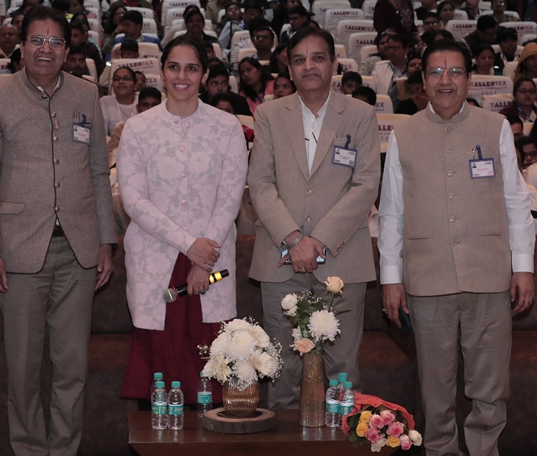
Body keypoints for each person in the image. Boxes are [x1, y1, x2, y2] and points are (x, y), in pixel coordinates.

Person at [0, 7, 117, 455]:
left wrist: (106, 239)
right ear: (21, 45)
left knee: (72, 369)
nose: (46, 49)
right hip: (18, 254)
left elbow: (97, 172)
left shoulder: (86, 95)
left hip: (78, 253)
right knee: (23, 370)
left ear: (69, 50)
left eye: (56, 42)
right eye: (38, 40)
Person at [378, 39, 534, 456]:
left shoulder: (495, 127)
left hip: (489, 276)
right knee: (436, 389)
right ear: (422, 82)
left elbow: (516, 199)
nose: (445, 81)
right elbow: (392, 212)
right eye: (435, 72)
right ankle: (441, 450)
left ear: (469, 78)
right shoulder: (403, 134)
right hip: (427, 282)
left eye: (455, 72)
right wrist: (391, 279)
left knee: (490, 386)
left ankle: (485, 450)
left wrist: (523, 267)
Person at [248, 27, 381, 407]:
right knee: (282, 373)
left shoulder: (360, 115)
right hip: (280, 260)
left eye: (318, 58)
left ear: (334, 65)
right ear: (289, 69)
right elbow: (260, 183)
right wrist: (293, 239)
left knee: (342, 375)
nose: (309, 66)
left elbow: (366, 184)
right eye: (300, 59)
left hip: (343, 259)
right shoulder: (270, 115)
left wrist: (317, 241)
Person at [118, 34, 248, 405]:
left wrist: (202, 258)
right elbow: (135, 200)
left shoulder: (227, 127)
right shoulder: (138, 129)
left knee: (209, 368)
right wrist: (190, 246)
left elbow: (229, 197)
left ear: (205, 75)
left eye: (192, 68)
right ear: (161, 72)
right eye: (174, 67)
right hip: (154, 259)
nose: (182, 76)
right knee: (157, 372)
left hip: (212, 265)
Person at [107, 86, 162, 167]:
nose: (150, 109)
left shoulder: (169, 129)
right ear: (138, 108)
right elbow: (110, 155)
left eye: (154, 105)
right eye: (145, 105)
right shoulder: (123, 129)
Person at [101, 66, 137, 135]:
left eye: (126, 79)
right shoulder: (105, 102)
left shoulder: (142, 102)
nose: (121, 82)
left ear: (135, 85)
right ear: (112, 85)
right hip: (112, 144)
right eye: (116, 79)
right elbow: (102, 135)